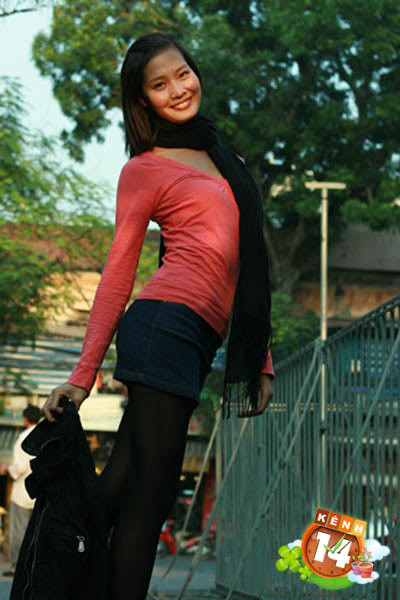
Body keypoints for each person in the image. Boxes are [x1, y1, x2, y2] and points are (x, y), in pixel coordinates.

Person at [42, 32, 275, 600]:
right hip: (164, 326)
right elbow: (119, 271)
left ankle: (48, 570)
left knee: (118, 489)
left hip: (195, 338)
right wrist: (82, 375)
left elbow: (243, 264)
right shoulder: (144, 169)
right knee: (152, 497)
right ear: (142, 99)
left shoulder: (226, 160)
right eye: (159, 84)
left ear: (196, 71)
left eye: (182, 74)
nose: (177, 89)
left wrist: (261, 360)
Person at [0, 404, 42, 577]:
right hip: (40, 492)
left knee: (18, 531)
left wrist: (7, 469)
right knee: (37, 530)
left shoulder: (23, 438)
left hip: (22, 492)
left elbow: (20, 467)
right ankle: (33, 565)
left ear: (25, 419)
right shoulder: (44, 437)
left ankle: (17, 566)